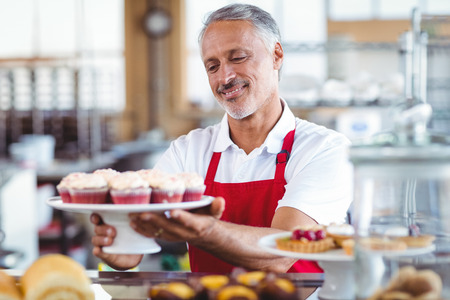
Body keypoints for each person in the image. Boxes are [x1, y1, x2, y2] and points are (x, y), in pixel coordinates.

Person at [90, 3, 353, 273]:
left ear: (276, 55)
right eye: (212, 66)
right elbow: (135, 240)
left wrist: (206, 231)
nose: (224, 77)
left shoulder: (325, 148)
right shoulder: (188, 151)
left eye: (238, 57)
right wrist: (120, 248)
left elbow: (286, 249)